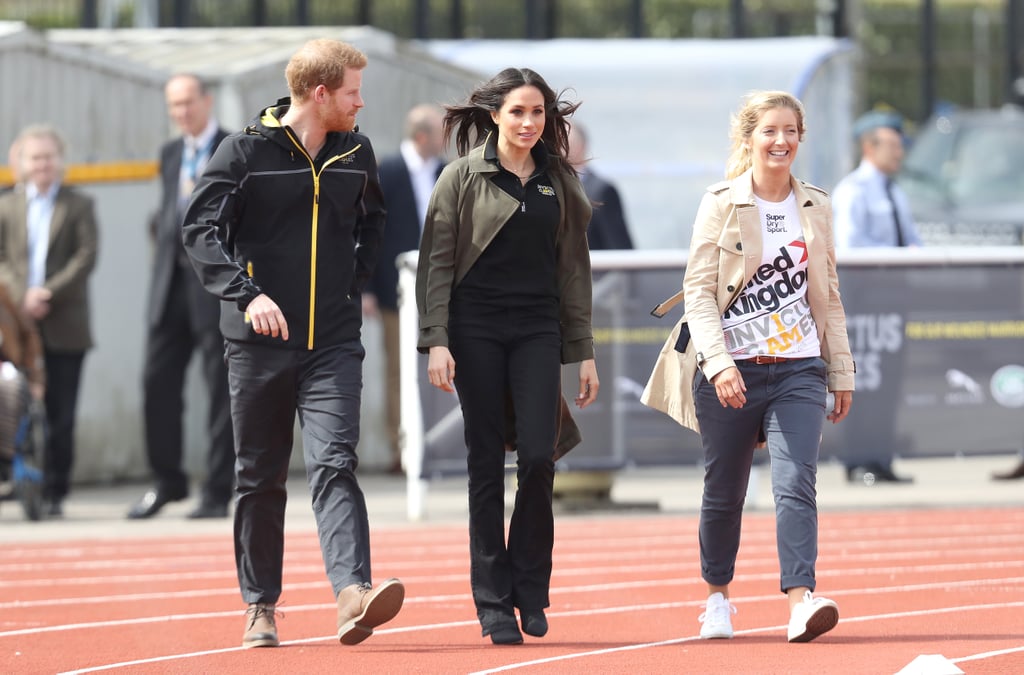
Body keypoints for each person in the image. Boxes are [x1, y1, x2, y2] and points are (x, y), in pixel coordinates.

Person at [180, 38, 404, 649]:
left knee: (335, 462)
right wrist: (246, 294)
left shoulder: (357, 152)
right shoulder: (244, 153)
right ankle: (260, 605)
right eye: (354, 91)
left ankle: (352, 593)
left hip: (333, 339)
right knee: (260, 476)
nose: (362, 102)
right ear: (321, 93)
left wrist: (350, 284)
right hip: (257, 344)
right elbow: (201, 229)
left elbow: (373, 222)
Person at [642, 90, 855, 643]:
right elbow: (698, 291)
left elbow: (828, 292)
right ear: (749, 139)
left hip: (799, 368)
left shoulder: (816, 204)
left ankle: (801, 601)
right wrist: (718, 363)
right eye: (769, 131)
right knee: (724, 489)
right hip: (731, 368)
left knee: (796, 483)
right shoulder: (721, 202)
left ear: (800, 138)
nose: (780, 141)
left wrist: (840, 371)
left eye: (790, 131)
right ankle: (717, 598)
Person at [416, 67, 600, 645]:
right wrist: (437, 340)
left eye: (538, 113)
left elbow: (574, 269)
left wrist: (583, 352)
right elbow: (437, 262)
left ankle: (532, 588)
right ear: (494, 114)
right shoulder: (461, 177)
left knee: (540, 459)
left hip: (537, 329)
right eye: (517, 112)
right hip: (474, 332)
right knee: (483, 465)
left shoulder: (558, 180)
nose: (528, 123)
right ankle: (493, 603)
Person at [127, 73, 235, 520]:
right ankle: (166, 481)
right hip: (168, 285)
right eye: (174, 105)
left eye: (188, 102)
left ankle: (216, 490)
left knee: (219, 390)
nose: (181, 112)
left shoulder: (234, 147)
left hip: (212, 287)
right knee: (157, 382)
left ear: (208, 100)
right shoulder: (171, 153)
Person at [0, 125, 99, 518]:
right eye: (34, 157)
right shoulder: (7, 206)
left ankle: (56, 488)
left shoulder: (79, 205)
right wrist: (19, 293)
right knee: (11, 403)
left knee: (61, 411)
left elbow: (86, 256)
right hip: (15, 324)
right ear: (21, 164)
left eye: (48, 156)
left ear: (59, 161)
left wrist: (47, 293)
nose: (42, 164)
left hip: (65, 323)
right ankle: (16, 479)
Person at [832, 109, 918, 484]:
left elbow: (913, 241)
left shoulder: (895, 192)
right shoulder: (852, 190)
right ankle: (859, 461)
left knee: (889, 380)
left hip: (894, 301)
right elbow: (849, 244)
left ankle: (881, 459)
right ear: (870, 147)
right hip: (863, 303)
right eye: (893, 145)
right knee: (861, 381)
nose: (899, 153)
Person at [364, 103, 445, 475]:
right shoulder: (388, 171)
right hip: (396, 290)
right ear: (421, 136)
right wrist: (365, 287)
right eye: (441, 131)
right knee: (399, 368)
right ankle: (403, 449)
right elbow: (368, 230)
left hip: (443, 289)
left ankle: (443, 444)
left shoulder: (447, 172)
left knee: (445, 364)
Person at [0, 281, 45, 493]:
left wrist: (35, 378)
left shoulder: (4, 294)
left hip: (5, 368)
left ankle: (5, 457)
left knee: (11, 386)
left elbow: (28, 336)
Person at [566, 121, 634, 249]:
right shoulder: (547, 188)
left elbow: (619, 245)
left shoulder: (602, 191)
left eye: (565, 141)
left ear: (582, 146)